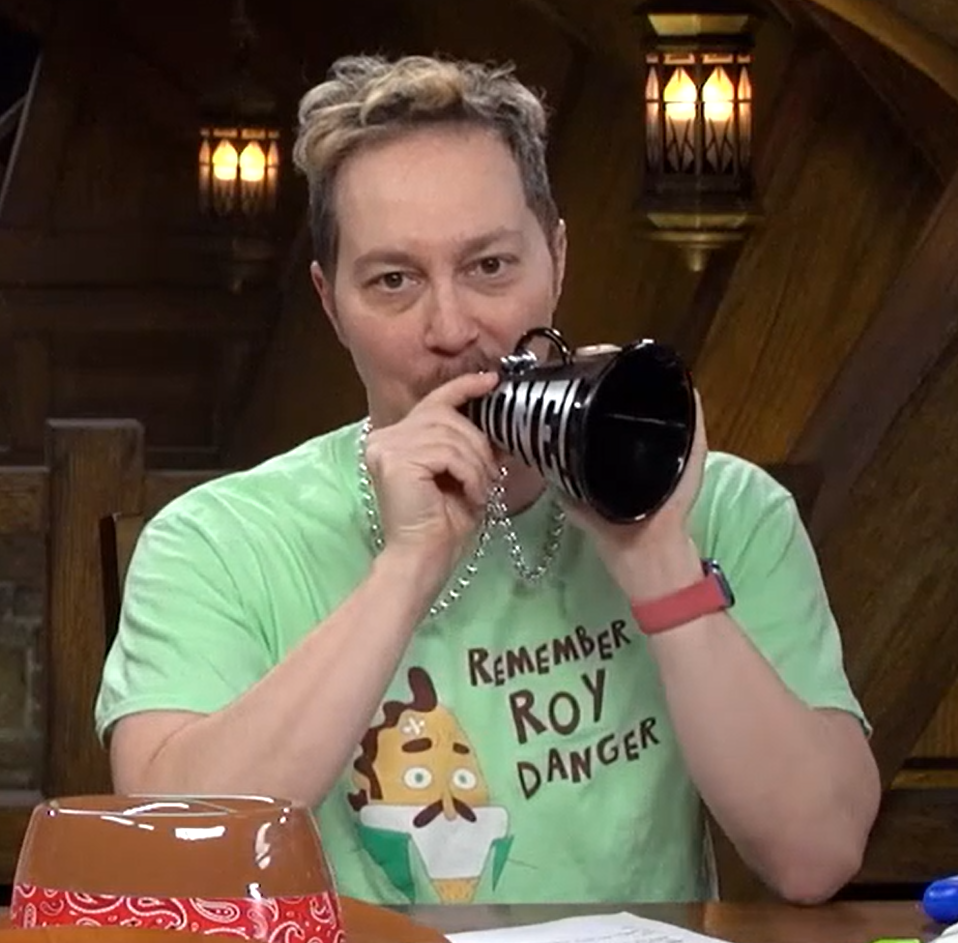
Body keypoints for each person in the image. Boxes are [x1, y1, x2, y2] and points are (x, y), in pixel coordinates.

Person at [95, 53, 880, 907]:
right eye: (394, 281)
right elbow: (174, 864)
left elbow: (819, 852)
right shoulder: (218, 539)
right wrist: (405, 565)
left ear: (557, 259)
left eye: (491, 268)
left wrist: (659, 558)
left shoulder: (723, 511)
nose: (453, 328)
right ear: (330, 304)